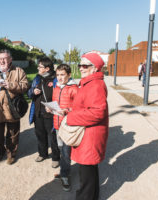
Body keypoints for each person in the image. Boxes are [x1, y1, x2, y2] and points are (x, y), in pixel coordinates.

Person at [67, 52, 109, 200]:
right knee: (90, 171)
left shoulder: (95, 84)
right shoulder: (89, 82)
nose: (81, 68)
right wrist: (70, 110)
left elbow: (98, 113)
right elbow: (86, 107)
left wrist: (71, 117)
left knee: (86, 175)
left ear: (95, 68)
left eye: (85, 65)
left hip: (90, 136)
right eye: (80, 65)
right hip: (89, 133)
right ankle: (93, 196)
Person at [0, 49, 28, 165]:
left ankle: (11, 154)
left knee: (13, 134)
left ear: (10, 60)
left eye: (5, 58)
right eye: (0, 59)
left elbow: (25, 85)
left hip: (12, 109)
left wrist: (12, 85)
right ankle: (0, 152)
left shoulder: (18, 71)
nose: (2, 61)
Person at [46, 64, 78, 191]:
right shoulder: (56, 87)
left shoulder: (74, 88)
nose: (59, 77)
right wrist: (50, 108)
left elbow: (79, 107)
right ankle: (64, 170)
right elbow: (56, 104)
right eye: (57, 75)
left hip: (68, 125)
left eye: (62, 75)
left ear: (69, 75)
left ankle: (65, 175)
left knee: (65, 151)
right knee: (61, 149)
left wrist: (67, 110)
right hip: (57, 124)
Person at [27, 57, 60, 168]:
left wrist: (53, 107)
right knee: (40, 134)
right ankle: (42, 154)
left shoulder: (55, 78)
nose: (37, 68)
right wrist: (33, 91)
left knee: (53, 136)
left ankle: (56, 158)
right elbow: (29, 93)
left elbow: (60, 95)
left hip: (51, 113)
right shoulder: (37, 78)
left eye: (40, 66)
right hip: (38, 112)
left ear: (47, 68)